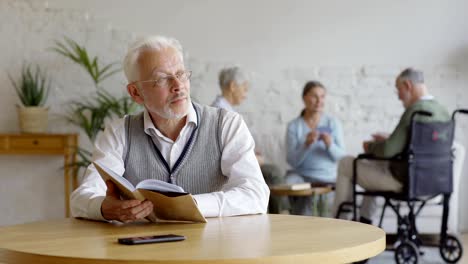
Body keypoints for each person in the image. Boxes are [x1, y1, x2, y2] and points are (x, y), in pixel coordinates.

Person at [70, 36, 269, 222]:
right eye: (162, 79)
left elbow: (255, 195)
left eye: (181, 74)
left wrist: (188, 206)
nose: (178, 85)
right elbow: (81, 198)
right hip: (143, 255)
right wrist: (105, 208)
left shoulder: (226, 125)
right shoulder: (119, 133)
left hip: (211, 252)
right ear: (136, 93)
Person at [332, 68, 451, 224]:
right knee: (371, 166)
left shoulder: (414, 111)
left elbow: (388, 150)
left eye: (398, 89)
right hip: (434, 182)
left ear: (408, 85)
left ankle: (339, 223)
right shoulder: (443, 111)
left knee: (346, 163)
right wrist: (391, 139)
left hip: (405, 181)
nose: (398, 95)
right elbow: (422, 146)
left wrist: (371, 146)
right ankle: (364, 220)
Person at [211, 66, 283, 213]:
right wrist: (253, 158)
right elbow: (223, 153)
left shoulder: (224, 109)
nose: (246, 94)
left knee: (269, 172)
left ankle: (278, 214)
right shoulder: (222, 113)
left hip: (232, 161)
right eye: (244, 88)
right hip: (225, 166)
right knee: (273, 172)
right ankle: (282, 214)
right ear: (232, 86)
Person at [286, 81, 345, 215]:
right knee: (288, 182)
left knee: (312, 207)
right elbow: (291, 161)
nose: (319, 101)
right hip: (302, 176)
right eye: (314, 96)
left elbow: (341, 157)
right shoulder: (294, 126)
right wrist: (305, 145)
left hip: (326, 177)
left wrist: (330, 145)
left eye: (322, 96)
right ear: (304, 98)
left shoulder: (333, 123)